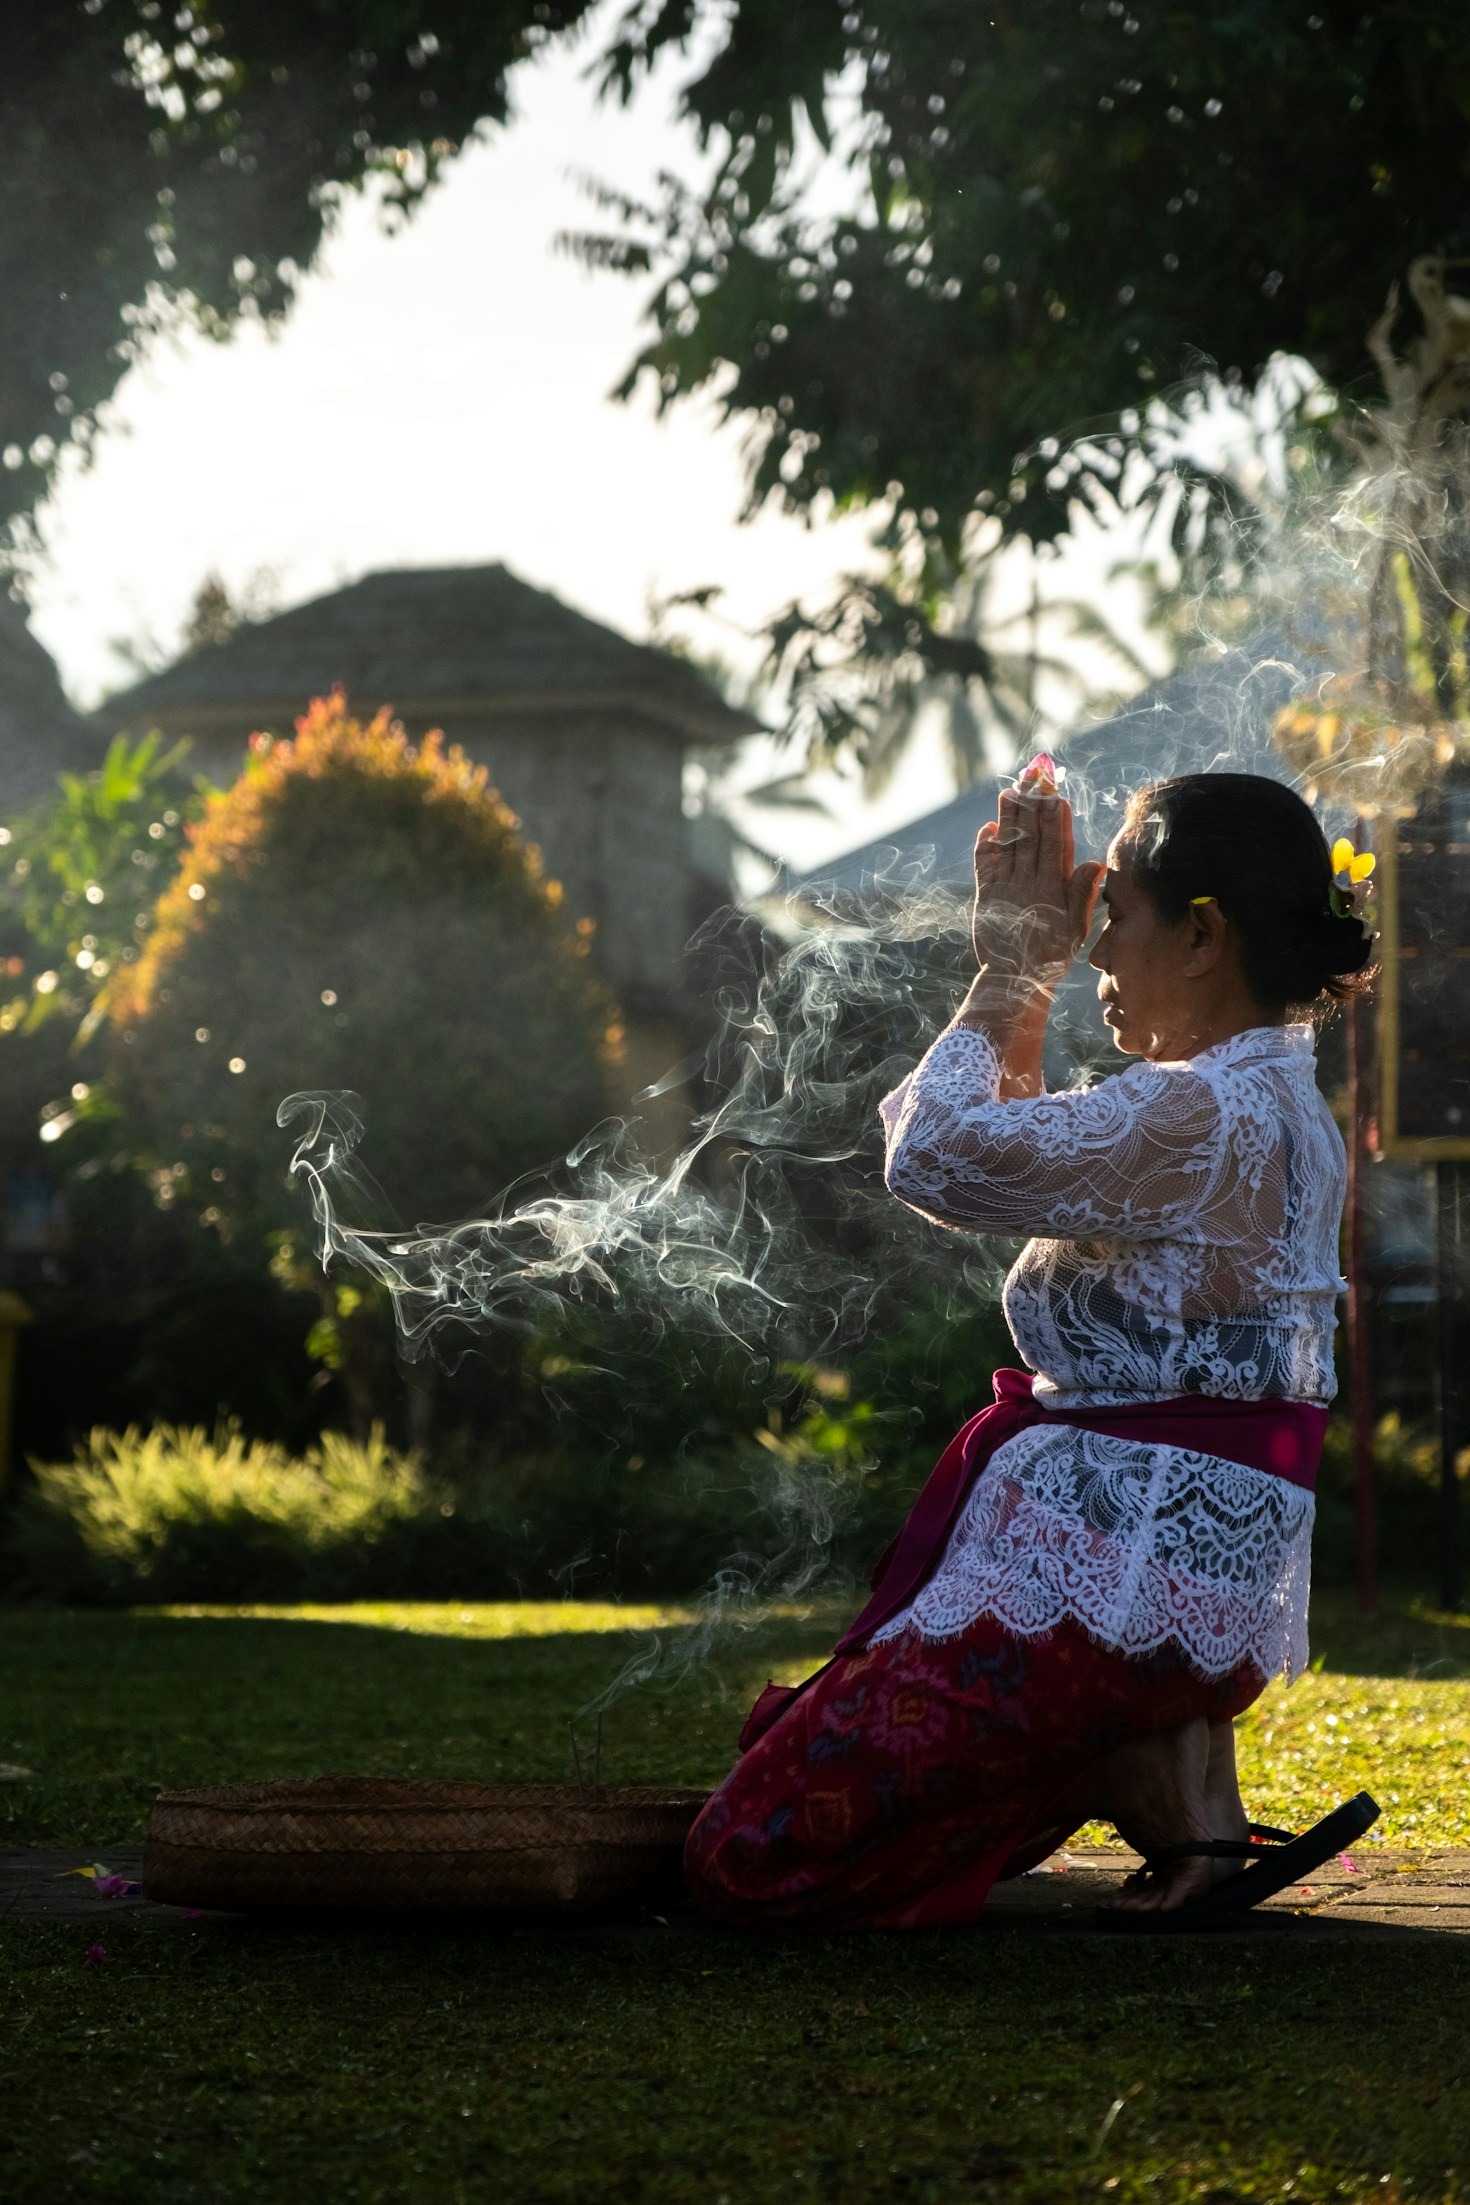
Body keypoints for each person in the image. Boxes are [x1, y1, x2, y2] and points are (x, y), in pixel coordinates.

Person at [684, 765, 1378, 1931]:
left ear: (1203, 934)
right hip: (1165, 1593)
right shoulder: (1260, 1107)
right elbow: (1002, 1150)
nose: (1095, 949)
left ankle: (1130, 1760)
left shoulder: (1198, 1115)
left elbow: (939, 1158)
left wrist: (1013, 967)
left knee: (745, 1855)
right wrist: (1028, 973)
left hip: (1106, 1603)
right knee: (879, 1805)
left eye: (1114, 915)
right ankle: (1169, 1779)